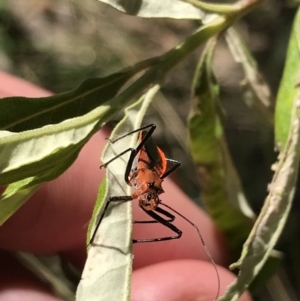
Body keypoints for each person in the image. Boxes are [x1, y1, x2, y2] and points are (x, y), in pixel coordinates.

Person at [0, 72, 252, 301]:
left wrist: (134, 231)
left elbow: (169, 227)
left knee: (175, 230)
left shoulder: (149, 196)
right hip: (140, 166)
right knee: (138, 166)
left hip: (146, 176)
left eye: (151, 200)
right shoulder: (142, 180)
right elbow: (126, 187)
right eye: (150, 198)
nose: (150, 202)